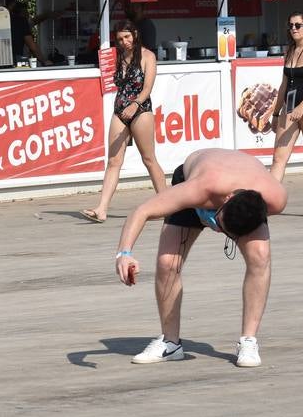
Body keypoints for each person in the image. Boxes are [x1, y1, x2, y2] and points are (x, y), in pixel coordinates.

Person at [113, 148, 289, 368]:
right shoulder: (197, 188)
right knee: (167, 263)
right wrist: (124, 253)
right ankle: (170, 343)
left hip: (239, 194)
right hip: (199, 181)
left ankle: (248, 341)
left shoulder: (276, 199)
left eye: (223, 230)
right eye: (217, 222)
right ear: (228, 198)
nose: (216, 230)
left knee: (260, 257)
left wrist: (230, 226)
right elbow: (142, 211)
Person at [82, 21, 168, 222]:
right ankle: (102, 209)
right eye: (120, 39)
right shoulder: (117, 57)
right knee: (113, 161)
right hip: (119, 109)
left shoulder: (148, 56)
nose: (124, 42)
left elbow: (147, 88)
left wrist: (135, 104)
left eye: (127, 37)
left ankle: (167, 204)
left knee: (149, 159)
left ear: (135, 35)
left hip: (140, 109)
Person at [254, 11, 303, 218]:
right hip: (290, 104)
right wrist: (276, 112)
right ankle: (267, 204)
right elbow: (283, 85)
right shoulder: (289, 51)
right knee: (278, 157)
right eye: (291, 26)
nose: (294, 29)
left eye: (298, 25)